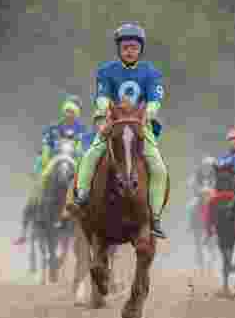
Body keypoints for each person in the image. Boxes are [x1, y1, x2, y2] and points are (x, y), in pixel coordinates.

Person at [71, 23, 169, 238]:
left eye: (133, 47)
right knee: (91, 154)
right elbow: (102, 96)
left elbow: (155, 101)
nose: (129, 50)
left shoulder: (152, 73)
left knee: (159, 167)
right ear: (119, 48)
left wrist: (147, 114)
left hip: (140, 125)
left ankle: (155, 217)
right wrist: (105, 111)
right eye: (125, 47)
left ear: (140, 49)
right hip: (113, 123)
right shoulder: (106, 71)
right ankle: (82, 197)